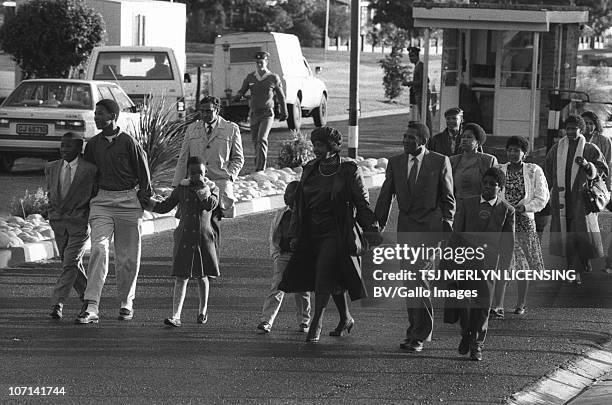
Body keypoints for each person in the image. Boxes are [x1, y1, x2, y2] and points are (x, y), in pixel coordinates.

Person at [279, 126, 381, 343]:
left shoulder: (348, 170)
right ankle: (345, 318)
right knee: (332, 277)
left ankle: (316, 321)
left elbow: (361, 202)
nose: (316, 149)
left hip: (336, 230)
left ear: (333, 147)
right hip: (311, 231)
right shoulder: (310, 168)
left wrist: (371, 228)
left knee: (324, 274)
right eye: (314, 145)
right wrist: (295, 233)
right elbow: (299, 204)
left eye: (321, 145)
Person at [375, 122, 455, 353]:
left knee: (420, 280)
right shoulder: (396, 162)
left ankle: (420, 333)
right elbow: (385, 196)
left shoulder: (439, 161)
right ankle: (414, 330)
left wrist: (447, 224)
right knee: (410, 283)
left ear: (423, 140)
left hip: (430, 230)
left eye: (411, 137)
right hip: (407, 229)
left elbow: (448, 198)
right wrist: (376, 227)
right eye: (405, 137)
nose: (406, 141)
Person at [76, 99, 153, 324]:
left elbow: (143, 171)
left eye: (100, 114)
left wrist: (146, 198)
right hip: (102, 201)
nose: (96, 117)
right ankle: (91, 305)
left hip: (129, 201)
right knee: (99, 248)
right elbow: (87, 175)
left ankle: (126, 302)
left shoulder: (129, 142)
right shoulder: (92, 145)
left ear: (113, 116)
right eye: (95, 114)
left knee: (128, 258)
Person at [445, 167, 515, 361]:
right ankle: (466, 334)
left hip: (490, 266)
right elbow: (456, 233)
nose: (488, 187)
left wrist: (505, 270)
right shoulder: (467, 204)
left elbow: (508, 244)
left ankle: (477, 344)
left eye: (493, 184)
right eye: (485, 183)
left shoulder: (507, 210)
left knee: (483, 306)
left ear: (500, 188)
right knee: (465, 304)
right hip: (465, 262)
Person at [151, 156, 220, 327]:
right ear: (188, 172)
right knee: (181, 276)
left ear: (206, 173)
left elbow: (211, 205)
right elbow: (165, 206)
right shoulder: (181, 189)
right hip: (184, 237)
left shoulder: (212, 188)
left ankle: (202, 311)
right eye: (193, 172)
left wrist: (203, 188)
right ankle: (176, 316)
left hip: (203, 238)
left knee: (202, 276)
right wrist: (147, 202)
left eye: (201, 172)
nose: (197, 175)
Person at [544, 114, 608, 284]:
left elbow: (603, 170)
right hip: (563, 200)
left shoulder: (590, 148)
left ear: (582, 129)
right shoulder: (557, 148)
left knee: (582, 235)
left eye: (575, 128)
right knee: (568, 235)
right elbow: (548, 170)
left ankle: (580, 265)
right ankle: (573, 270)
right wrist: (552, 190)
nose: (571, 131)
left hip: (582, 201)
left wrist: (588, 166)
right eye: (569, 128)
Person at [491, 136, 549, 319]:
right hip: (504, 222)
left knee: (523, 264)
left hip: (524, 221)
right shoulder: (499, 169)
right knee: (502, 263)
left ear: (525, 153)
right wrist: (504, 209)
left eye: (516, 150)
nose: (512, 153)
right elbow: (493, 192)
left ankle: (521, 303)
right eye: (510, 150)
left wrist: (524, 207)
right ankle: (497, 305)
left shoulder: (534, 170)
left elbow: (542, 196)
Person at [45, 132, 97, 320]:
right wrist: (52, 214)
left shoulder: (90, 170)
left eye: (69, 146)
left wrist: (87, 216)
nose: (64, 149)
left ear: (79, 148)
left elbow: (94, 194)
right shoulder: (51, 167)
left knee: (70, 262)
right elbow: (50, 192)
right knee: (70, 263)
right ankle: (87, 297)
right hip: (59, 223)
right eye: (62, 145)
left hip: (79, 225)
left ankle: (57, 303)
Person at [174, 96, 244, 221]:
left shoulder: (231, 129)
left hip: (221, 183)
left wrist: (230, 176)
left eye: (209, 111)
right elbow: (183, 159)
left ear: (217, 110)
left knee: (220, 224)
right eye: (202, 111)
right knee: (197, 224)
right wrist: (177, 183)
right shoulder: (192, 129)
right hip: (196, 184)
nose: (205, 114)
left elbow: (238, 158)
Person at [256, 181, 311, 334]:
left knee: (302, 290)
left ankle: (304, 321)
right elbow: (274, 235)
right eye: (286, 193)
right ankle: (266, 320)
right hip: (283, 255)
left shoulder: (306, 215)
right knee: (277, 288)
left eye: (291, 194)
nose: (286, 197)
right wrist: (276, 254)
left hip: (301, 257)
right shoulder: (282, 214)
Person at [234, 51, 288, 172]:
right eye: (257, 62)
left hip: (267, 113)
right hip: (254, 113)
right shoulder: (250, 77)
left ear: (266, 62)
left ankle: (260, 169)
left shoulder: (273, 77)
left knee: (262, 139)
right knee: (255, 141)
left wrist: (284, 112)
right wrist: (238, 95)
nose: (259, 64)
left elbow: (281, 96)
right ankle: (258, 163)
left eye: (261, 62)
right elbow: (242, 90)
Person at [581, 111, 612, 272]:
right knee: (586, 225)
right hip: (582, 190)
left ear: (596, 125)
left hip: (601, 187)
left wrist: (609, 187)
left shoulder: (604, 141)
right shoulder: (576, 141)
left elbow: (608, 166)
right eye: (585, 123)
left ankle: (610, 259)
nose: (588, 126)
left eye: (591, 123)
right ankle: (585, 258)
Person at [450, 123, 498, 210]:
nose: (464, 140)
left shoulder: (488, 160)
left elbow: (495, 188)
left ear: (478, 142)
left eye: (469, 137)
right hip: (457, 209)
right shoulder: (453, 161)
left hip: (480, 208)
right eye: (463, 137)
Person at [403, 46, 432, 133]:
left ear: (417, 56)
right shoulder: (417, 66)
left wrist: (410, 83)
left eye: (412, 56)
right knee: (421, 115)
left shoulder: (421, 65)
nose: (410, 58)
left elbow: (426, 80)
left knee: (425, 116)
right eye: (409, 56)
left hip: (422, 93)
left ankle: (429, 135)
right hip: (417, 93)